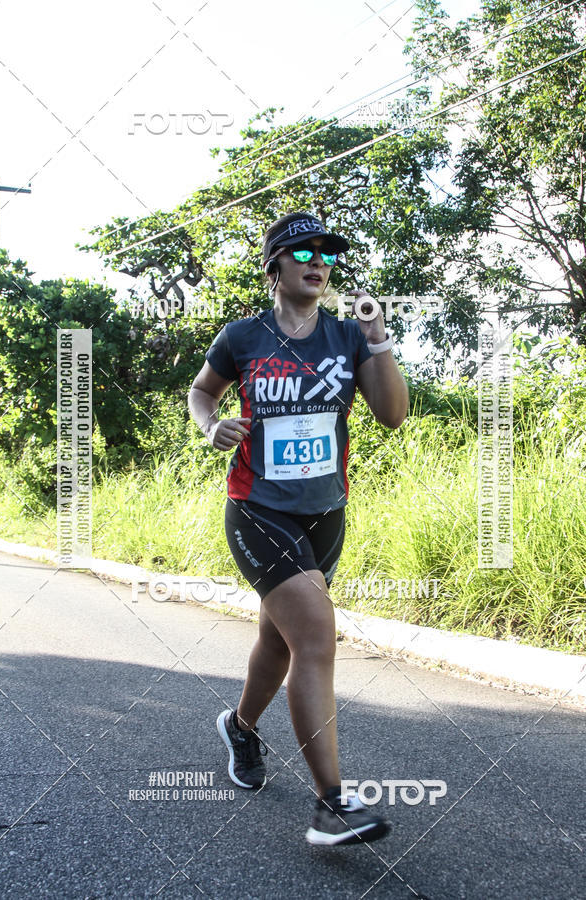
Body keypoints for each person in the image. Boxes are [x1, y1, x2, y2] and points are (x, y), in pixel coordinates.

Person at [188, 211, 408, 845]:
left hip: (326, 514)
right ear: (275, 266)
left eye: (327, 255)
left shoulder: (345, 336)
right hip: (257, 507)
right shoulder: (243, 337)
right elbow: (203, 393)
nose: (319, 263)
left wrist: (378, 339)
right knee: (315, 636)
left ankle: (240, 725)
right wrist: (211, 426)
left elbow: (391, 415)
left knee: (280, 641)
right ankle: (332, 805)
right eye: (303, 252)